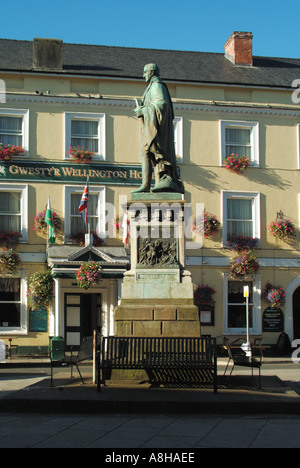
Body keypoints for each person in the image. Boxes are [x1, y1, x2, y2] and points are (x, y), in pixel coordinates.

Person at [132, 63, 184, 194]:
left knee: (147, 153)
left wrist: (142, 110)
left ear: (152, 72)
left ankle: (149, 184)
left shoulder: (156, 86)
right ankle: (145, 185)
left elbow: (161, 105)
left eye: (145, 72)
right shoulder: (151, 87)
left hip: (157, 130)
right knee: (145, 153)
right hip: (150, 128)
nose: (143, 75)